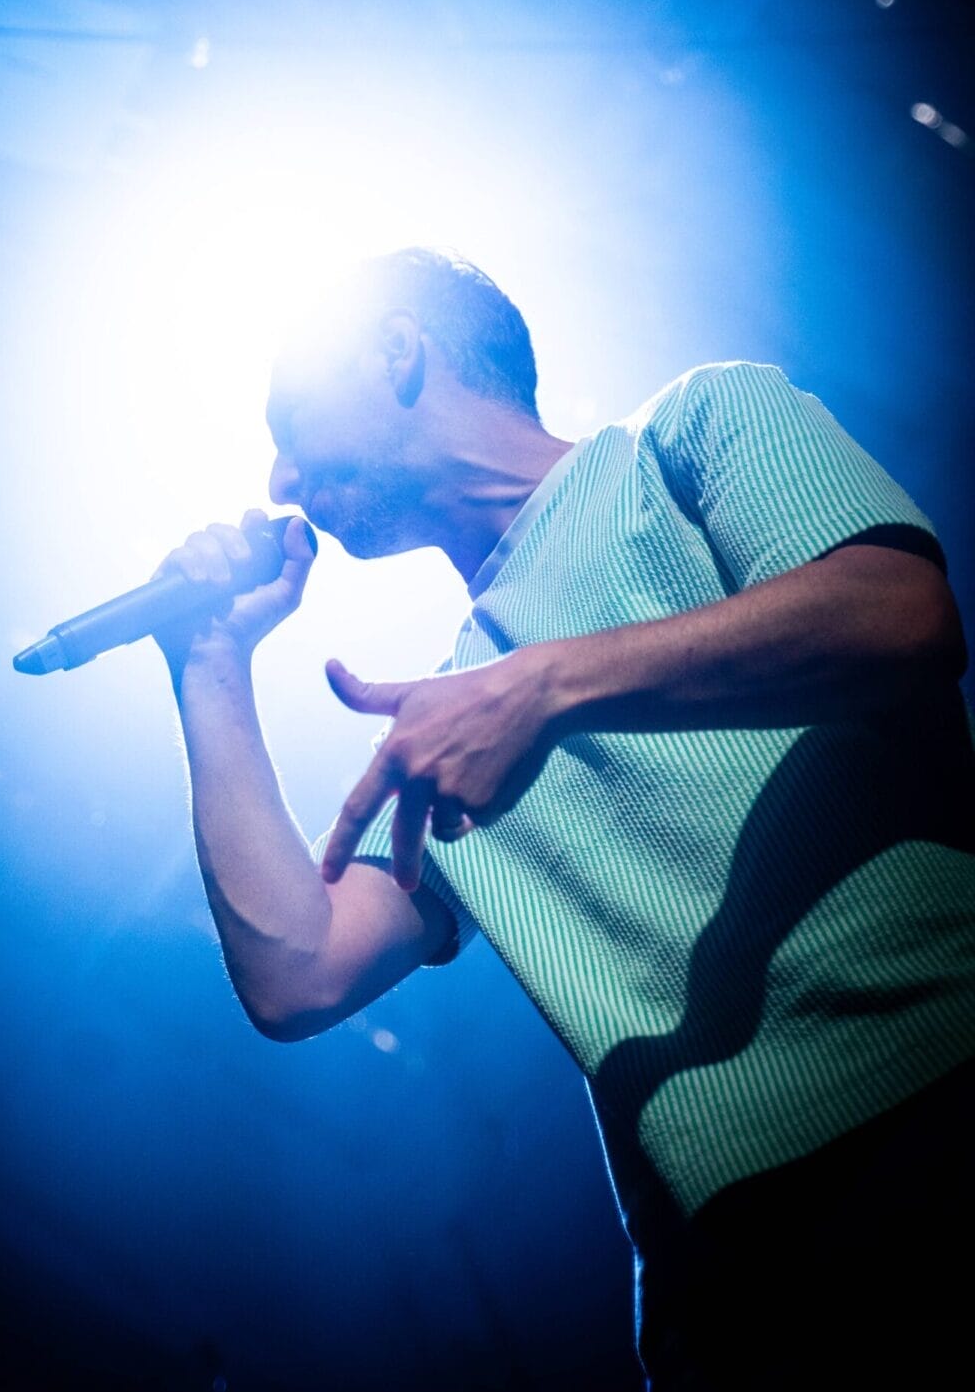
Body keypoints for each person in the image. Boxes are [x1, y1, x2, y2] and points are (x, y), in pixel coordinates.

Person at [153, 247, 974, 1391]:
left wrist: (546, 683)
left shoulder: (692, 427)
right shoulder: (448, 716)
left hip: (934, 1114)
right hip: (728, 1282)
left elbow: (899, 614)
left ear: (396, 351)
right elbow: (298, 973)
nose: (282, 478)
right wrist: (207, 663)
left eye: (293, 423)